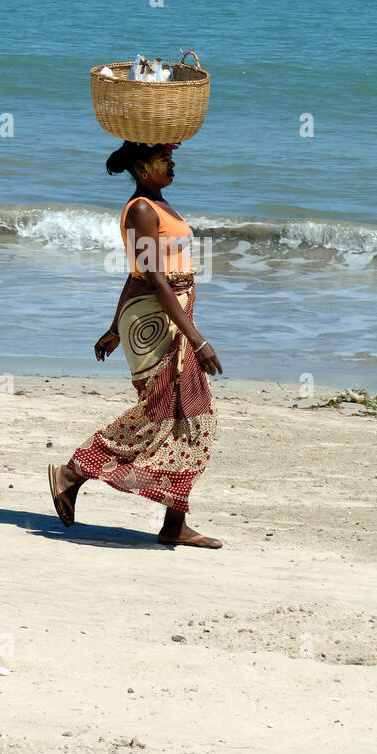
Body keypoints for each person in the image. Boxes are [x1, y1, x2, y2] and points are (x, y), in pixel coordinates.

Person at [48, 141, 222, 548]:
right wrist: (198, 340)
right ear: (143, 167)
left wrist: (112, 326)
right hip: (156, 321)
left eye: (172, 159)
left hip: (163, 315)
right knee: (165, 414)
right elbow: (155, 279)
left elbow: (135, 274)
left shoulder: (160, 206)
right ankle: (73, 472)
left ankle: (174, 523)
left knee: (191, 420)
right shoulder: (142, 209)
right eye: (165, 160)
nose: (173, 165)